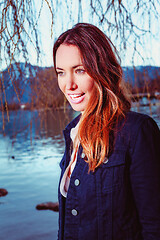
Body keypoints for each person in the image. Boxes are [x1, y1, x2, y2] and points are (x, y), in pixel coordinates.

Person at [53, 23, 160, 240]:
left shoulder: (136, 131)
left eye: (80, 70)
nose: (69, 84)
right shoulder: (72, 134)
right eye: (61, 73)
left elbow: (154, 225)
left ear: (101, 69)